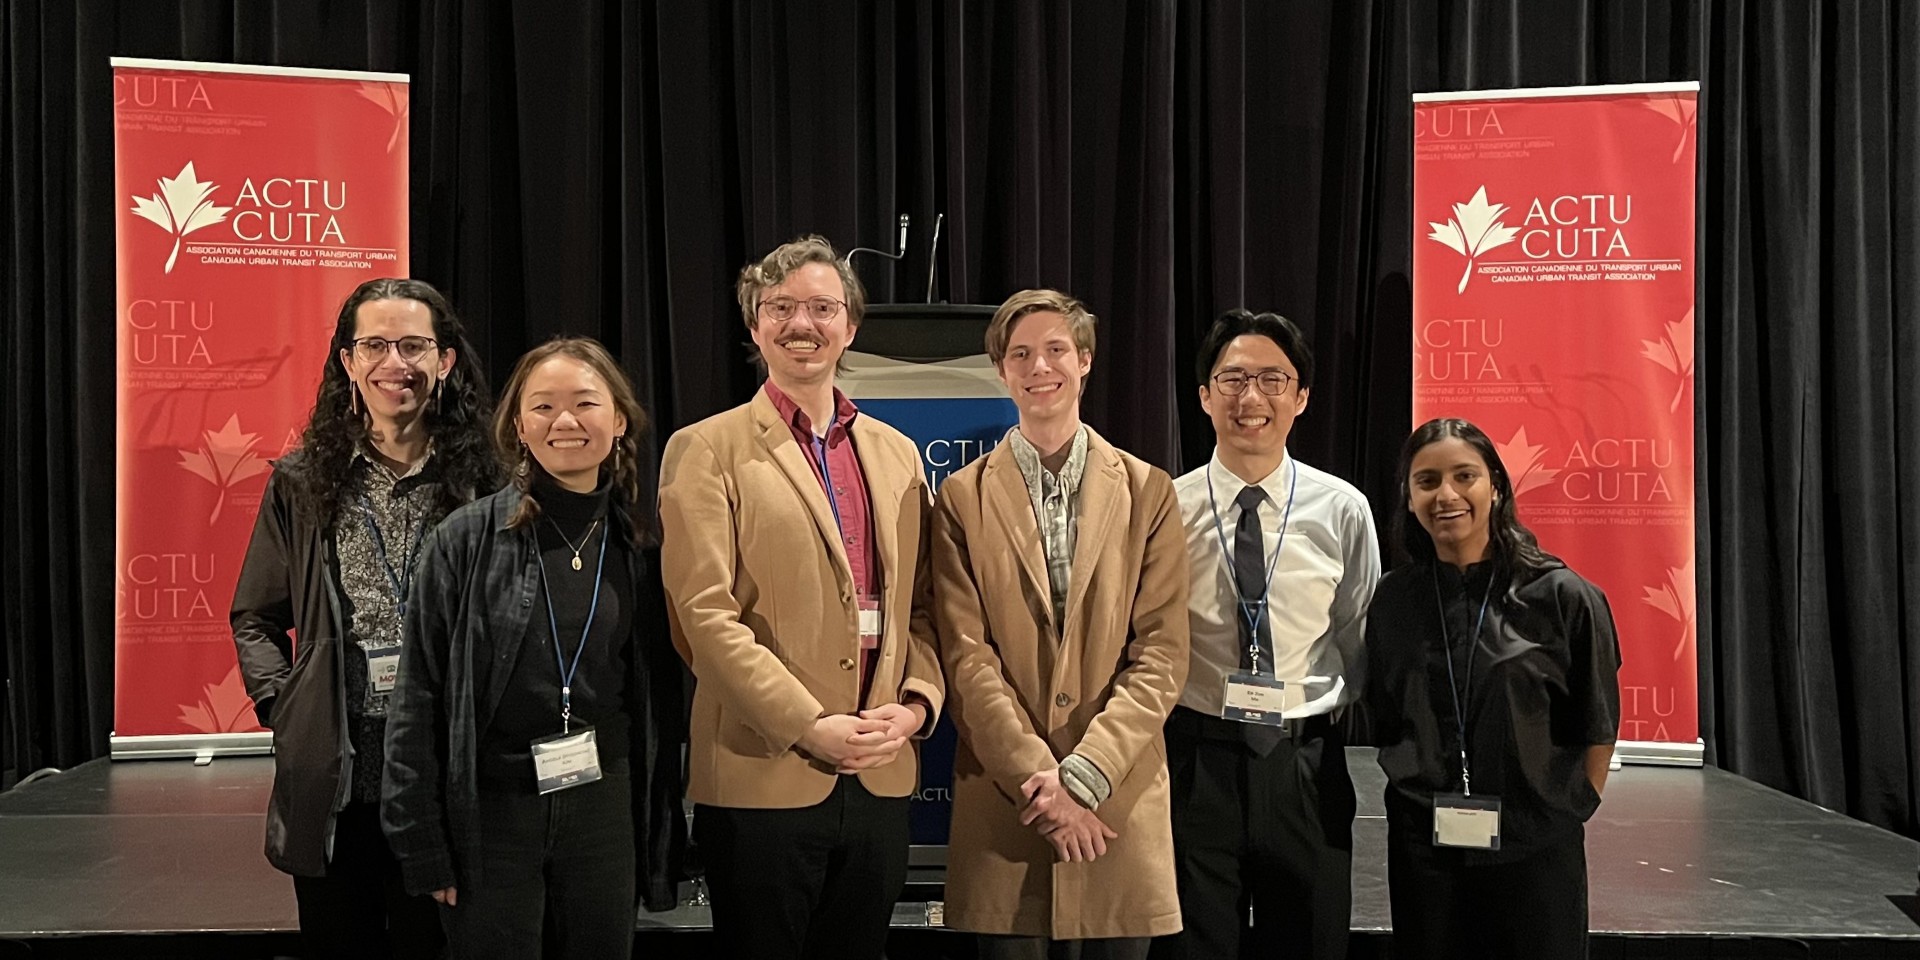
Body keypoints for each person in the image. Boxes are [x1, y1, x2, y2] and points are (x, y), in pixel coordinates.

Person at [657, 235, 945, 960]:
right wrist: (808, 724)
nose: (801, 323)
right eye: (780, 307)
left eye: (821, 307)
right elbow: (703, 618)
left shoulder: (898, 453)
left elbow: (922, 607)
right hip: (763, 772)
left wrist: (913, 707)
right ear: (755, 327)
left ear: (850, 326)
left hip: (880, 770)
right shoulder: (706, 449)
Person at [381, 337, 684, 959]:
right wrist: (423, 842)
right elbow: (416, 700)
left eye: (584, 403)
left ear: (619, 419)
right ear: (518, 425)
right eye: (543, 407)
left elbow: (657, 700)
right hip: (492, 812)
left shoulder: (643, 545)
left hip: (603, 805)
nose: (565, 422)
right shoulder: (464, 539)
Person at [231, 277, 497, 959]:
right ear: (347, 362)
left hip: (446, 777)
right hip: (339, 777)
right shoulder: (302, 482)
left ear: (445, 361)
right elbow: (255, 616)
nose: (394, 364)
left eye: (413, 346)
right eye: (374, 345)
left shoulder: (486, 482)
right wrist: (283, 707)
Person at [932, 288, 1190, 959]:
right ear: (1001, 370)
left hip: (1116, 803)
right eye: (1020, 354)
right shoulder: (960, 497)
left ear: (1084, 360)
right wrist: (1039, 781)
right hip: (1008, 804)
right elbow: (965, 656)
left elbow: (1161, 653)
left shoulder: (1147, 490)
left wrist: (1083, 777)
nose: (1037, 366)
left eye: (1053, 350)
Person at [1157, 309, 1379, 960]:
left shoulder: (1342, 509)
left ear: (1302, 397)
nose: (1250, 398)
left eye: (1273, 380)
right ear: (1202, 396)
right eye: (1231, 379)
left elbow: (1357, 634)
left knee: (1310, 940)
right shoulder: (1165, 508)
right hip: (1197, 760)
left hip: (1303, 763)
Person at [1366, 417, 1621, 959]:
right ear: (1409, 499)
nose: (1447, 495)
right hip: (1426, 852)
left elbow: (1597, 726)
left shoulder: (1564, 596)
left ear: (1497, 488)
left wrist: (1566, 810)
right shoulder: (1393, 602)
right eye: (1427, 481)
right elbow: (1387, 716)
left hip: (1533, 851)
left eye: (1465, 476)